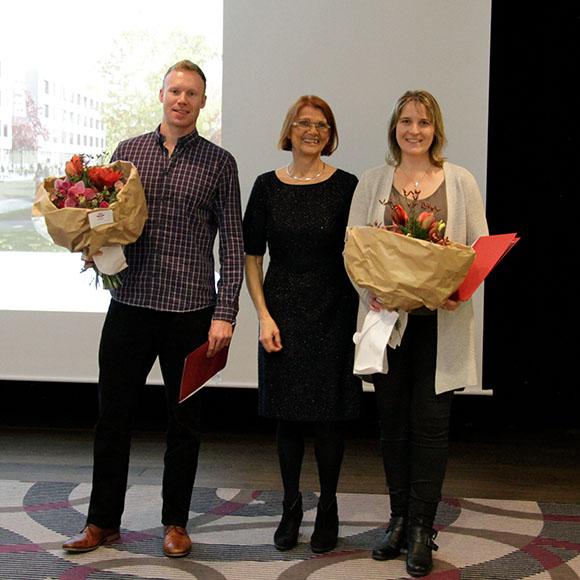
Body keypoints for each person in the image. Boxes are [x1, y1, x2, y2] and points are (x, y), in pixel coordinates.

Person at [62, 60, 244, 558]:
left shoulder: (220, 163)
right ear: (161, 95)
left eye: (192, 93)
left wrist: (225, 312)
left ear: (203, 102)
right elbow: (106, 220)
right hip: (130, 307)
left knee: (183, 423)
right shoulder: (128, 154)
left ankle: (176, 523)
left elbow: (233, 243)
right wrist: (90, 242)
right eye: (174, 91)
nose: (181, 100)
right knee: (111, 417)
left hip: (190, 313)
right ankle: (102, 522)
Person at [347, 90, 488, 577]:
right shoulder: (374, 182)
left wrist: (458, 292)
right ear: (394, 128)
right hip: (389, 325)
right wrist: (373, 293)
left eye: (423, 122)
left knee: (431, 429)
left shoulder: (460, 180)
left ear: (435, 129)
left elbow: (478, 250)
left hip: (440, 325)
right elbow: (355, 249)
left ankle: (424, 528)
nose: (414, 130)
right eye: (405, 121)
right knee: (391, 427)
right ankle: (398, 520)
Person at [243, 95, 362, 554]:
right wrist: (263, 316)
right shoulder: (266, 187)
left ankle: (328, 508)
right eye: (304, 123)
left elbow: (362, 252)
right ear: (289, 130)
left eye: (322, 125)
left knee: (331, 418)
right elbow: (253, 258)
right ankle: (290, 506)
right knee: (288, 417)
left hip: (335, 310)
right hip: (283, 311)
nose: (312, 131)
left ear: (330, 136)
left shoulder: (348, 186)